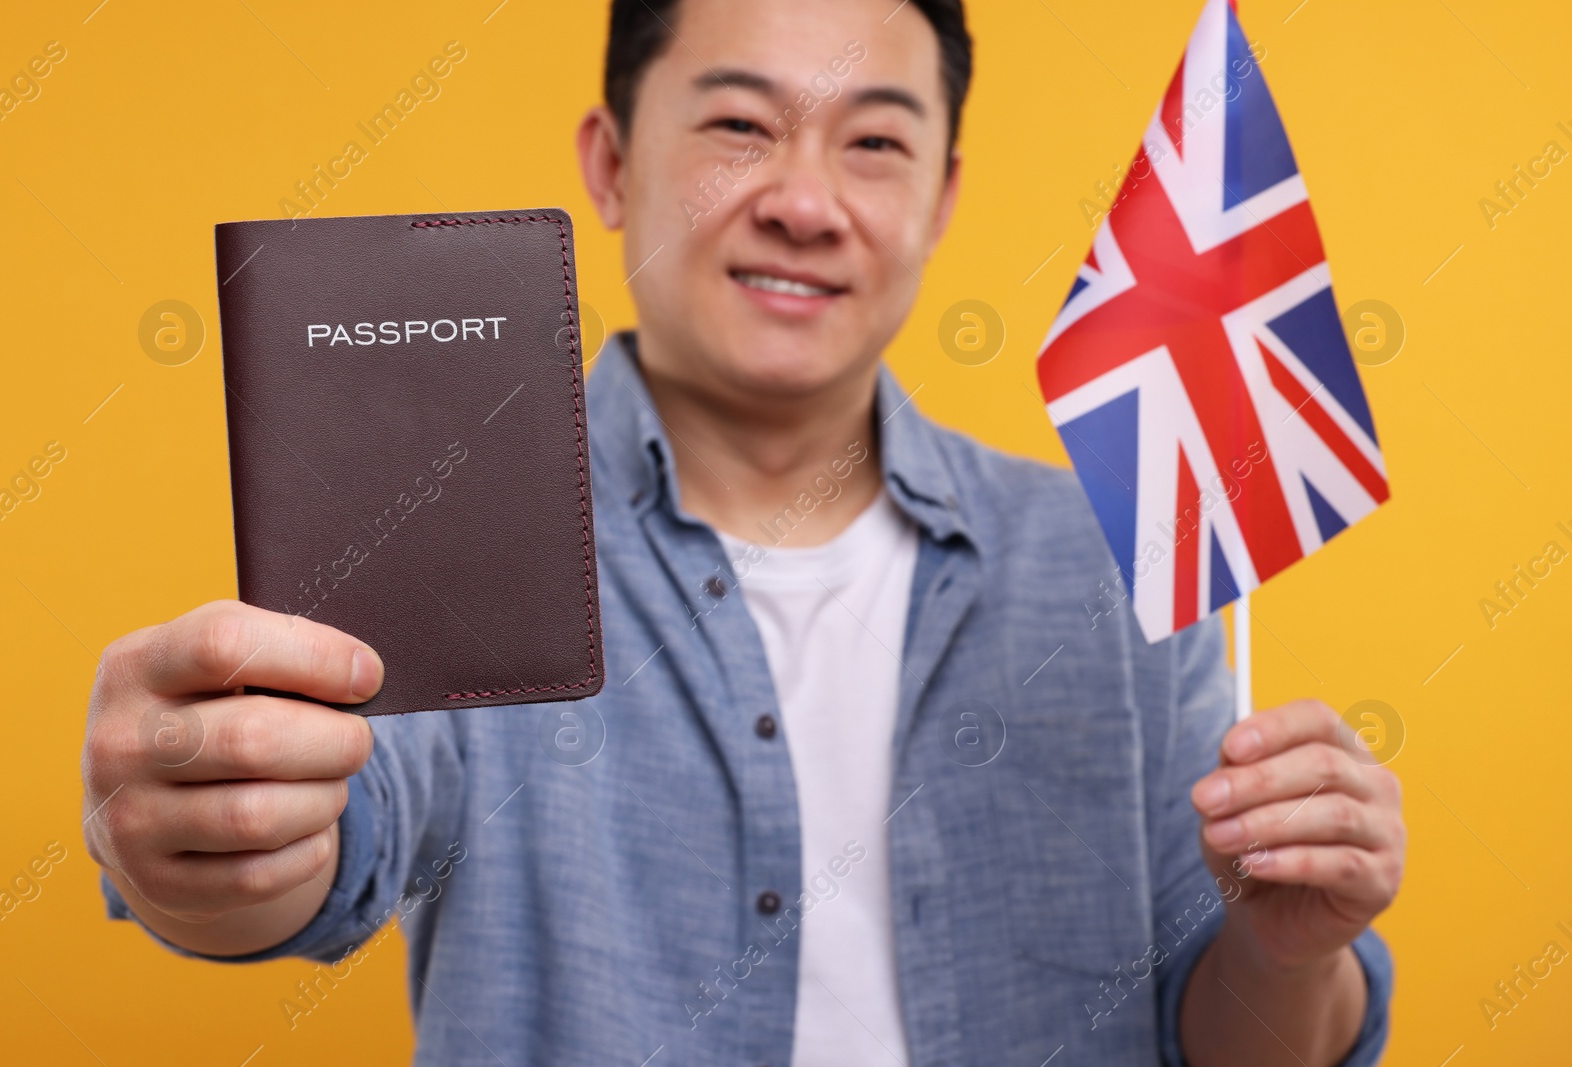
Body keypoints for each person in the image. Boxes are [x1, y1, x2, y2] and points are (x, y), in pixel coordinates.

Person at [80, 1, 1403, 1063]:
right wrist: (212, 833)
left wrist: (1290, 954)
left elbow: (1226, 1042)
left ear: (942, 199)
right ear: (609, 162)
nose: (806, 201)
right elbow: (323, 850)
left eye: (874, 142)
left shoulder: (1118, 555)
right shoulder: (453, 518)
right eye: (738, 125)